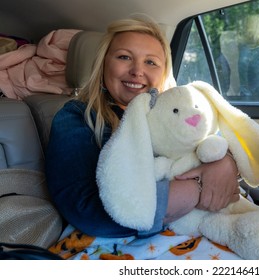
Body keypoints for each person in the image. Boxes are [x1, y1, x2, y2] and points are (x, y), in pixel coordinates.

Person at [45, 17, 240, 238]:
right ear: (103, 65)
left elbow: (218, 141)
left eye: (151, 62)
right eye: (124, 57)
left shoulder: (177, 112)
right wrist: (197, 188)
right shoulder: (77, 116)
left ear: (164, 71)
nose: (137, 71)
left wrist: (225, 163)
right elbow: (87, 210)